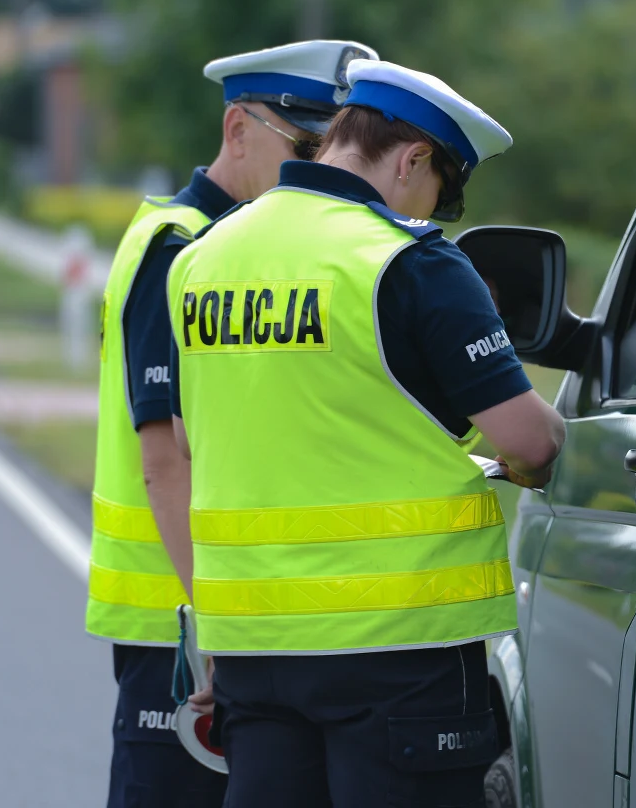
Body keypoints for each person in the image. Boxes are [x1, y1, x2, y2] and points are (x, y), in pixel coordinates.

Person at [166, 59, 566, 807]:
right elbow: (530, 442)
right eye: (439, 195)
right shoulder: (408, 261)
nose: (432, 212)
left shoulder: (202, 258)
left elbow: (198, 440)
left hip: (254, 648)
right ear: (414, 159)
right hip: (397, 649)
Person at [86, 39, 376, 807]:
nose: (323, 167)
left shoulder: (245, 250)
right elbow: (165, 459)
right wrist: (209, 631)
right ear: (237, 127)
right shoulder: (182, 249)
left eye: (334, 146)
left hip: (232, 621)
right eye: (306, 146)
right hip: (183, 627)